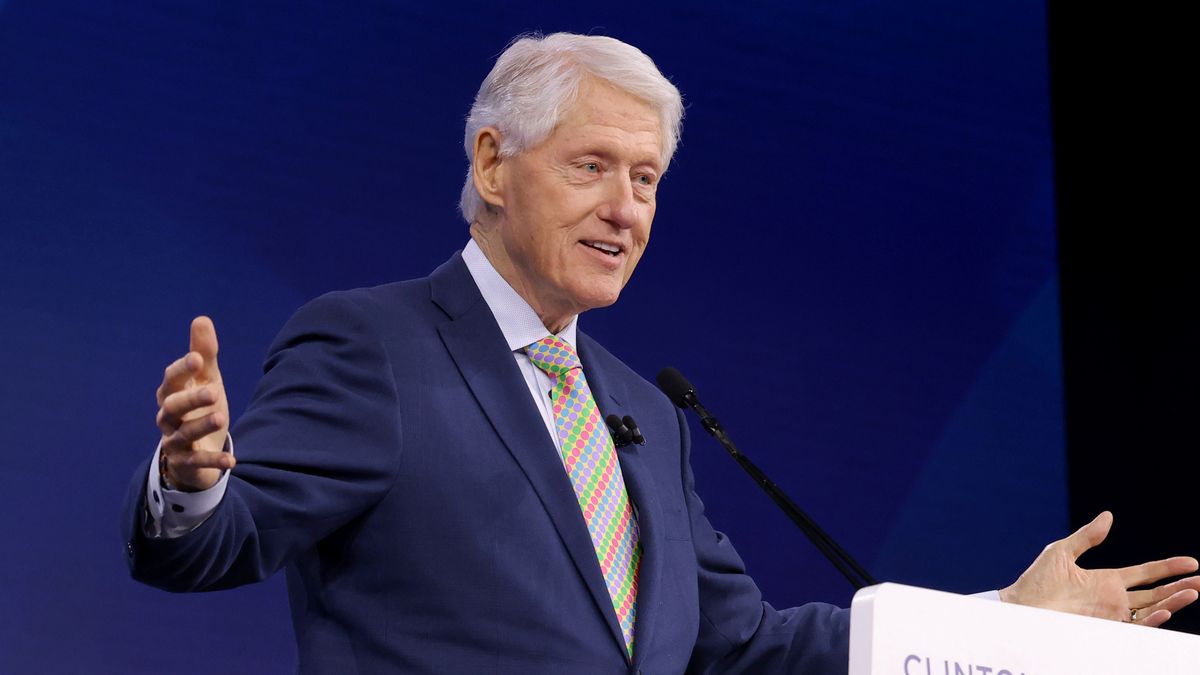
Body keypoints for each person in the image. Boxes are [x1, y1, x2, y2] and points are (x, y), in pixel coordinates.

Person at [123, 33, 1200, 674]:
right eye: (592, 166)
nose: (626, 208)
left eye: (646, 180)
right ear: (493, 164)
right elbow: (214, 545)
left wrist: (1007, 619)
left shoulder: (643, 412)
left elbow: (750, 646)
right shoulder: (374, 344)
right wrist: (192, 481)